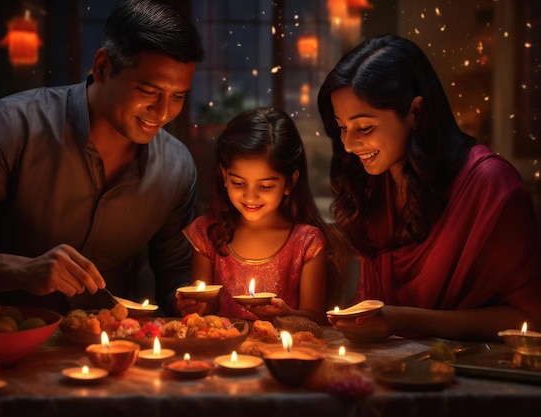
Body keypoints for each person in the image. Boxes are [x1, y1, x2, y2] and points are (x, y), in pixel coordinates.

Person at [0, 0, 205, 316]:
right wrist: (22, 271)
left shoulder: (177, 168)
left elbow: (174, 275)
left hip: (105, 351)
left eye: (177, 96)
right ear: (103, 66)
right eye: (149, 91)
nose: (163, 113)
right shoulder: (11, 128)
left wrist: (186, 300)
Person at [317, 34, 541, 342]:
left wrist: (406, 319)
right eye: (342, 127)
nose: (349, 144)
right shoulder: (372, 182)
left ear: (415, 113)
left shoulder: (491, 186)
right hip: (393, 370)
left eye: (364, 127)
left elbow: (530, 319)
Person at [176, 107, 345, 324]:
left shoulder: (306, 242)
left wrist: (285, 315)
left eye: (265, 186)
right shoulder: (208, 233)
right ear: (224, 176)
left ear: (290, 182)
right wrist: (195, 306)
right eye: (238, 183)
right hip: (223, 353)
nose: (250, 196)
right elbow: (206, 309)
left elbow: (315, 319)